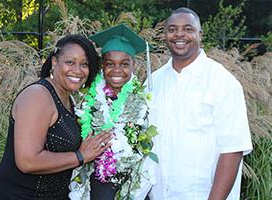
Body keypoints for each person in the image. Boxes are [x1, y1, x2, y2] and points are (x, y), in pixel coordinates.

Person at [147, 7, 253, 200]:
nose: (179, 34)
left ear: (199, 35)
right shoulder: (153, 82)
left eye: (188, 29)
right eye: (172, 29)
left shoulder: (222, 82)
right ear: (165, 34)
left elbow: (233, 149)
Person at [0, 34, 112, 200]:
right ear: (54, 62)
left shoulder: (67, 98)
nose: (77, 70)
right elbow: (27, 161)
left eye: (84, 64)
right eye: (70, 62)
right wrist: (81, 156)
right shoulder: (37, 96)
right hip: (21, 195)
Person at [69, 24, 156, 200]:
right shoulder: (88, 100)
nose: (117, 70)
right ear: (102, 66)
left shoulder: (143, 102)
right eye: (110, 64)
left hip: (132, 181)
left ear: (133, 65)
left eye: (124, 64)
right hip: (94, 180)